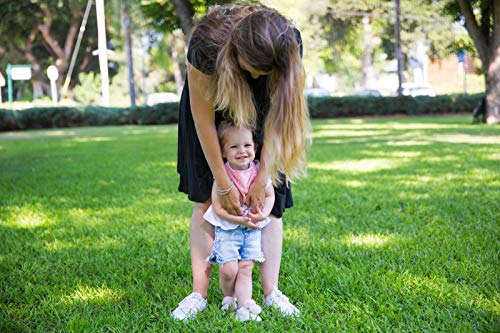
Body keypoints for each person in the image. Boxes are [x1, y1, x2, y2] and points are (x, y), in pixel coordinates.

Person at [173, 3, 310, 321]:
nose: (256, 77)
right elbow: (203, 121)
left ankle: (271, 291)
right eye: (253, 70)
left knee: (270, 202)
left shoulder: (287, 43)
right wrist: (222, 182)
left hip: (265, 106)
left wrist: (263, 177)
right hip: (212, 104)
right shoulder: (207, 45)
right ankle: (198, 294)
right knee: (205, 199)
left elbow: (281, 115)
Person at [203, 120, 275, 322]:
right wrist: (238, 220)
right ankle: (229, 297)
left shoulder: (258, 171)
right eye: (234, 146)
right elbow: (217, 208)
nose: (242, 151)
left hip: (252, 229)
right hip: (228, 230)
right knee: (229, 270)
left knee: (245, 268)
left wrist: (263, 214)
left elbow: (270, 196)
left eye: (247, 145)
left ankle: (244, 306)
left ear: (256, 147)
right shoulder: (223, 175)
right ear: (223, 152)